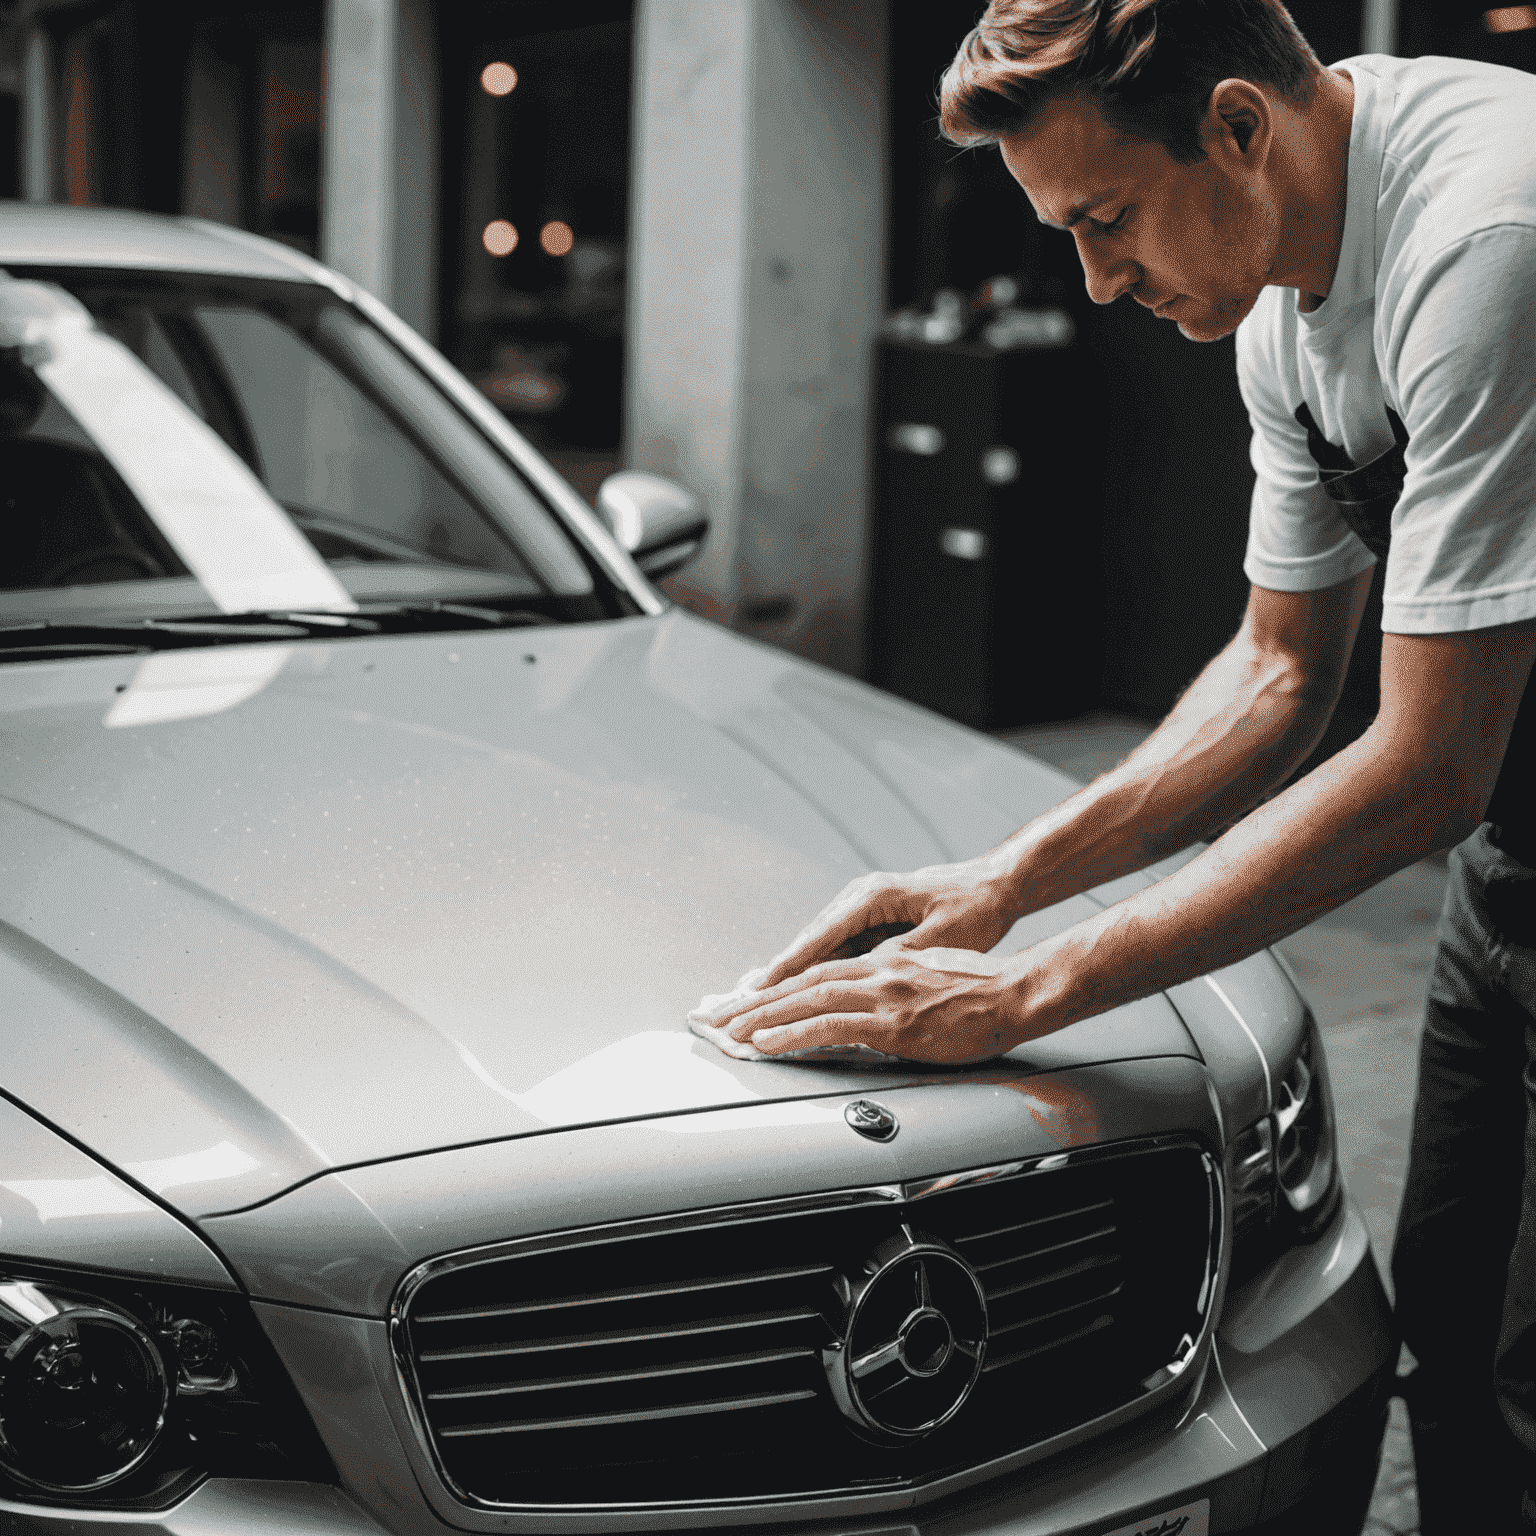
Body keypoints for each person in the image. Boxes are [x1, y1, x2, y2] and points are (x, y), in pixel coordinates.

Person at [696, 1, 1536, 1528]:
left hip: (1495, 806)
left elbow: (1428, 765)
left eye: (1106, 219)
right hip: (1519, 877)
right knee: (1459, 1348)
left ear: (1235, 127)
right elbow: (1283, 672)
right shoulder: (1282, 289)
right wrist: (1003, 885)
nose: (1093, 281)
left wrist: (1030, 993)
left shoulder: (1489, 242)